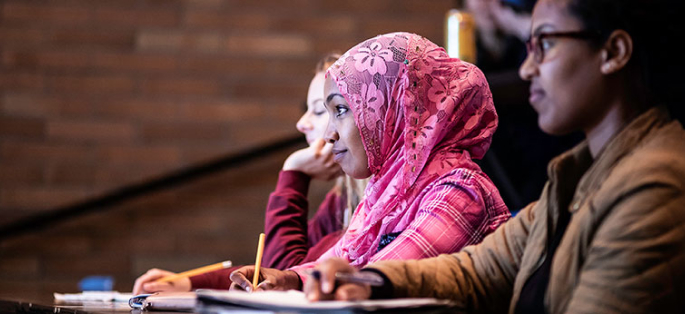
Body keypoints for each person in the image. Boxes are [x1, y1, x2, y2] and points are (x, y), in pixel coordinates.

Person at [305, 0, 685, 313]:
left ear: (614, 52)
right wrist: (370, 281)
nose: (526, 68)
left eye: (546, 44)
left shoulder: (652, 185)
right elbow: (479, 269)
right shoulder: (578, 175)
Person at [229, 32, 511, 292]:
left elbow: (375, 281)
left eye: (340, 110)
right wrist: (288, 279)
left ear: (393, 110)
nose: (329, 134)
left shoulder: (461, 193)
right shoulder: (385, 191)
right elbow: (339, 260)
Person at [132, 54, 368, 294]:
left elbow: (285, 278)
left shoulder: (376, 204)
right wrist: (188, 282)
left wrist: (294, 173)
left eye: (321, 111)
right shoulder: (341, 200)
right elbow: (277, 274)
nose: (301, 123)